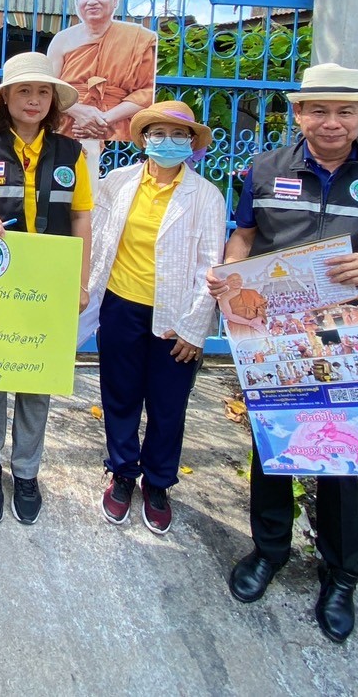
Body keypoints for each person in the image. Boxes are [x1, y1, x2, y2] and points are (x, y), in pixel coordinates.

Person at [207, 63, 358, 644]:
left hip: (351, 341)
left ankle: (340, 574)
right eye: (318, 110)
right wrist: (231, 270)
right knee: (275, 445)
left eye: (344, 111)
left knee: (342, 454)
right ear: (298, 114)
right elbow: (246, 235)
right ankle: (269, 550)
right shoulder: (263, 170)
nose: (331, 122)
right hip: (276, 340)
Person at [0, 52, 92, 525]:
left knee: (38, 376)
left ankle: (26, 471)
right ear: (6, 98)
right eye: (24, 91)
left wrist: (80, 281)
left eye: (42, 92)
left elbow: (81, 217)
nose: (33, 100)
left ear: (52, 101)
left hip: (49, 283)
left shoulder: (72, 154)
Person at [85, 100, 226, 533]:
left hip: (175, 315)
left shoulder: (206, 196)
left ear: (191, 143)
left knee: (168, 405)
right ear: (144, 140)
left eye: (178, 135)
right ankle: (123, 473)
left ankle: (159, 482)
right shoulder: (118, 183)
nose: (167, 143)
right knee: (120, 394)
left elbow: (212, 266)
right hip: (121, 304)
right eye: (158, 134)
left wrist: (194, 328)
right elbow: (95, 231)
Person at [46, 0, 157, 145]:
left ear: (115, 1)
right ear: (77, 3)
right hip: (69, 127)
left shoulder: (137, 38)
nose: (92, 1)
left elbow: (148, 92)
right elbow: (47, 89)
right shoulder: (62, 40)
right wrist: (78, 111)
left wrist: (104, 119)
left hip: (119, 132)